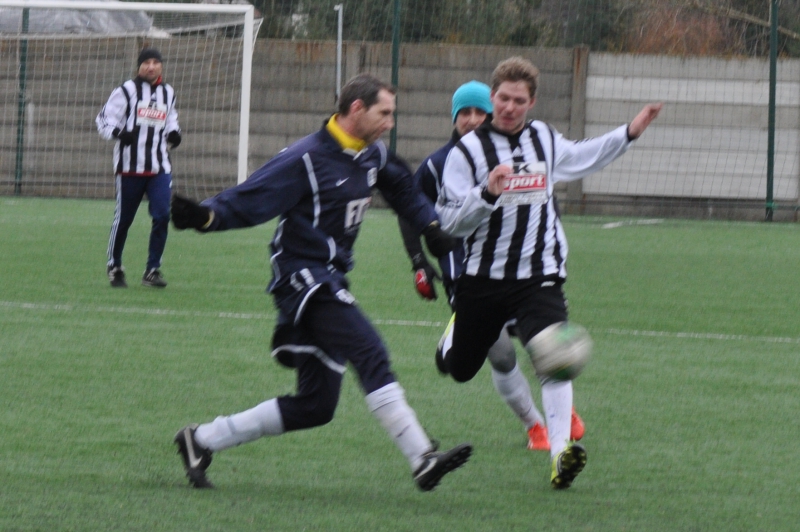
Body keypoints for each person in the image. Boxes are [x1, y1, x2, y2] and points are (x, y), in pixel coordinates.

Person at [169, 74, 472, 492]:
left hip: (330, 276)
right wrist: (206, 217)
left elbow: (404, 189)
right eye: (384, 113)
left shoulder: (372, 154)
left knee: (316, 405)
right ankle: (422, 457)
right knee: (369, 349)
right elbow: (252, 197)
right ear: (356, 109)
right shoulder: (306, 159)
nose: (390, 123)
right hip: (301, 276)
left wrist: (430, 227)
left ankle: (201, 439)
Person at [436, 56, 662, 489]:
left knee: (553, 357)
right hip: (483, 279)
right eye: (503, 98)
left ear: (531, 102)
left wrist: (629, 133)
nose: (509, 107)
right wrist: (486, 194)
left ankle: (560, 452)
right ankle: (452, 336)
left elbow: (582, 156)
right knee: (461, 368)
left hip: (539, 274)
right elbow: (449, 223)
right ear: (493, 96)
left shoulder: (543, 137)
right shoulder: (466, 152)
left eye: (519, 101)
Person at [398, 80, 583, 452]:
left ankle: (560, 415)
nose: (471, 119)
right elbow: (409, 210)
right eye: (463, 112)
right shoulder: (439, 164)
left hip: (523, 275)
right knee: (501, 354)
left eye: (478, 111)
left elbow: (546, 206)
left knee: (542, 343)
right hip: (467, 280)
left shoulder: (520, 154)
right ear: (454, 117)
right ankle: (535, 426)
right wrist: (419, 262)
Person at [96, 47, 181, 289]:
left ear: (161, 65)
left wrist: (174, 133)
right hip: (129, 168)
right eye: (146, 62)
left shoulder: (168, 93)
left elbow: (171, 119)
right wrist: (119, 133)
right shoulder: (126, 91)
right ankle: (114, 266)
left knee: (162, 215)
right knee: (124, 219)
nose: (151, 67)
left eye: (155, 62)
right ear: (139, 66)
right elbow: (103, 119)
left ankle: (152, 270)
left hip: (159, 167)